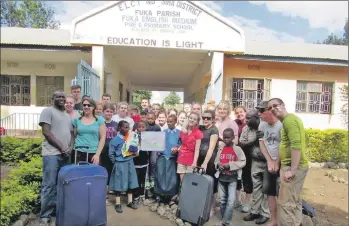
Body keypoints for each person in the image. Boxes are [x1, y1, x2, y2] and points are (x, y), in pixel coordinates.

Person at [268, 98, 309, 226]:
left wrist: (292, 169)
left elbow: (296, 145)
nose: (273, 109)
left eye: (275, 106)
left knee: (286, 204)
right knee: (294, 201)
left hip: (293, 168)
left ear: (283, 106)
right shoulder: (287, 121)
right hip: (292, 166)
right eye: (270, 108)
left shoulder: (289, 120)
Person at [39, 91, 74, 225]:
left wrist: (70, 147)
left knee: (62, 185)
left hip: (65, 155)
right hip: (51, 154)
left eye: (63, 97)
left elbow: (72, 134)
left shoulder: (67, 116)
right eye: (58, 97)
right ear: (53, 98)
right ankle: (45, 215)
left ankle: (57, 210)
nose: (61, 99)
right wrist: (61, 147)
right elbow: (46, 132)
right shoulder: (48, 111)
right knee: (49, 184)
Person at [242, 109, 270, 225]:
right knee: (256, 186)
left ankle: (265, 213)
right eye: (246, 118)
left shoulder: (267, 126)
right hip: (255, 160)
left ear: (257, 117)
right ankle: (254, 211)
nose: (246, 120)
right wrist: (254, 140)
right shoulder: (246, 128)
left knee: (266, 188)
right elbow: (242, 142)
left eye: (249, 118)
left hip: (268, 161)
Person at [257, 101, 282, 226]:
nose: (259, 113)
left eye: (262, 111)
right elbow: (261, 143)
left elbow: (284, 146)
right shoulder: (261, 125)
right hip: (269, 162)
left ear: (269, 111)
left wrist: (276, 162)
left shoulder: (281, 125)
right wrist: (269, 161)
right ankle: (273, 220)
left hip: (283, 162)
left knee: (282, 193)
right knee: (270, 192)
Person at [214, 128, 246, 226]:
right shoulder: (221, 149)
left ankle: (225, 222)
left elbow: (243, 161)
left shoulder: (237, 149)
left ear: (233, 137)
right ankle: (225, 219)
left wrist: (230, 165)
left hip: (232, 179)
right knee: (222, 200)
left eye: (228, 137)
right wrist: (218, 164)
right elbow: (216, 161)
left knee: (231, 201)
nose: (226, 139)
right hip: (222, 178)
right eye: (224, 137)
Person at [109, 121, 139, 213]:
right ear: (119, 128)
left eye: (128, 127)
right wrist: (117, 162)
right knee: (118, 182)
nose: (127, 129)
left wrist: (134, 153)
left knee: (131, 181)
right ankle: (118, 203)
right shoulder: (115, 140)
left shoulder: (130, 139)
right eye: (125, 127)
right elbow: (111, 154)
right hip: (120, 163)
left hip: (129, 162)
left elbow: (134, 149)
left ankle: (129, 202)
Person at [155, 114, 181, 204]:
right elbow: (157, 143)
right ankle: (160, 194)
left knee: (172, 177)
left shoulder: (179, 133)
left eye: (171, 122)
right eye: (168, 122)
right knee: (161, 175)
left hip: (173, 157)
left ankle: (171, 196)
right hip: (163, 156)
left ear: (175, 122)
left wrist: (177, 148)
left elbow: (181, 144)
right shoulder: (163, 132)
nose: (169, 123)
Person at [198, 110, 219, 217]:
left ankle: (212, 207)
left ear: (213, 119)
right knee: (201, 183)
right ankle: (202, 205)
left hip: (210, 161)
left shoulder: (214, 130)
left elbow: (211, 148)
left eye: (208, 118)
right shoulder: (200, 128)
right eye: (204, 117)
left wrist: (205, 163)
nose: (205, 119)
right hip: (199, 160)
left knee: (212, 185)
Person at [72, 98, 106, 164]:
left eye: (89, 105)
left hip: (93, 152)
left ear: (93, 107)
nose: (86, 107)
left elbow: (102, 138)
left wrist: (97, 154)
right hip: (78, 152)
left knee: (93, 173)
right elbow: (74, 135)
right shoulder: (77, 120)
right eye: (84, 105)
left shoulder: (100, 120)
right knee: (78, 173)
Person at [176, 112, 203, 180]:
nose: (192, 120)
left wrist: (194, 162)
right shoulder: (183, 130)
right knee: (182, 181)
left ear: (197, 122)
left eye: (194, 119)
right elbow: (182, 143)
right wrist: (178, 148)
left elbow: (197, 150)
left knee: (189, 181)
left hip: (191, 159)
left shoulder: (198, 133)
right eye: (190, 118)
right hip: (181, 158)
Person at [100, 102, 118, 203]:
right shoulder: (100, 122)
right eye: (107, 111)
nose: (109, 113)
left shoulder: (115, 124)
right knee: (103, 172)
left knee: (111, 172)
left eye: (111, 111)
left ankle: (109, 192)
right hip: (102, 151)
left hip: (112, 152)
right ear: (103, 112)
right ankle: (103, 195)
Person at [133, 120, 150, 207]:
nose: (141, 128)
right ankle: (135, 195)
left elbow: (151, 148)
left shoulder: (148, 137)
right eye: (139, 127)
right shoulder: (133, 136)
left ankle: (142, 195)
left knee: (143, 179)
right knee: (136, 179)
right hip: (135, 161)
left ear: (146, 128)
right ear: (136, 127)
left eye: (143, 127)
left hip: (144, 161)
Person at [145, 112, 161, 199]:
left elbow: (159, 139)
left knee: (153, 163)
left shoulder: (157, 127)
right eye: (148, 118)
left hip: (154, 148)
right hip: (146, 148)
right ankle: (147, 188)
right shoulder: (144, 126)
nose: (150, 120)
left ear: (155, 118)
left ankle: (152, 187)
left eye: (152, 118)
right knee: (147, 167)